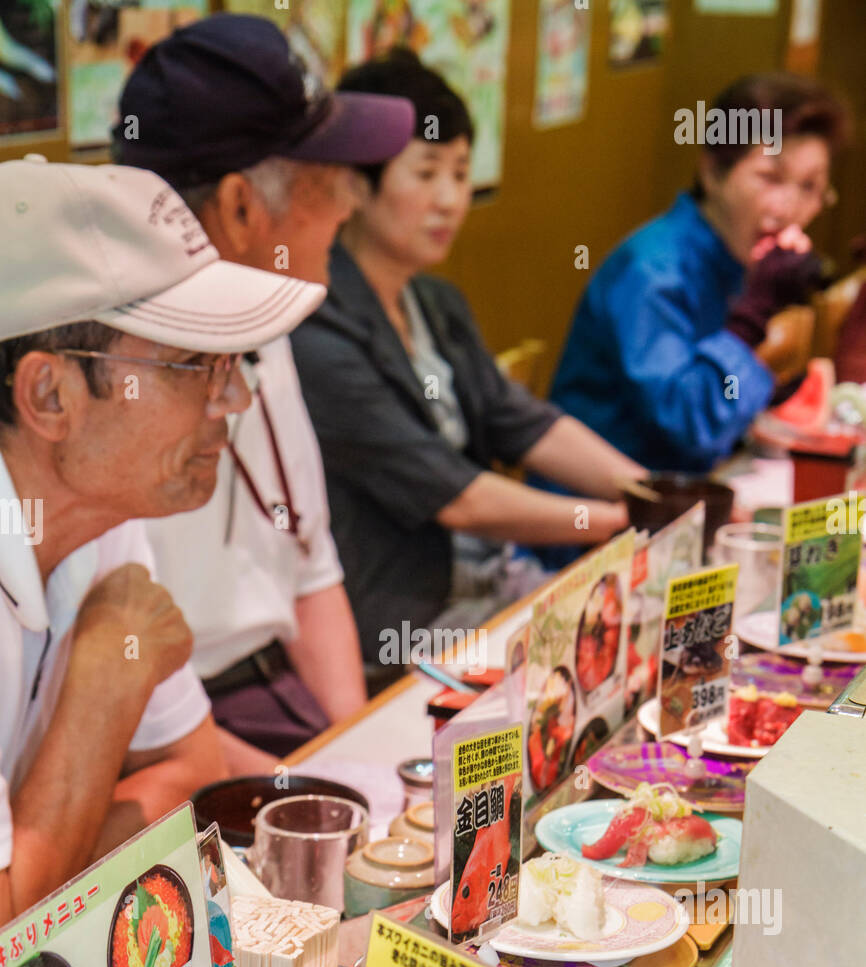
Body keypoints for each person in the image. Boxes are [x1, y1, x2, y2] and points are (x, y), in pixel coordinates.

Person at [0, 157, 323, 925]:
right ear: (50, 395)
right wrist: (102, 691)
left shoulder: (99, 520)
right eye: (192, 365)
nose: (237, 397)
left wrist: (38, 861)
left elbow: (192, 777)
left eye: (233, 364)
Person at [114, 14, 415, 764]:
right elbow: (129, 718)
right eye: (331, 181)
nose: (351, 204)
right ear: (245, 208)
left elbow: (314, 572)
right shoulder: (107, 391)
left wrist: (357, 751)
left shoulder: (265, 317)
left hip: (281, 705)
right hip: (168, 748)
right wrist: (314, 791)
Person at [291, 49, 646, 677]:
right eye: (426, 173)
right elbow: (455, 498)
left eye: (460, 172)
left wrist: (649, 491)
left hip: (491, 585)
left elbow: (522, 422)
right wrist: (626, 520)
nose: (450, 199)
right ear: (355, 184)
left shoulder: (434, 301)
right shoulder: (318, 322)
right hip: (405, 626)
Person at [549, 73, 850, 476]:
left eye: (810, 186)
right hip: (599, 520)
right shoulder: (652, 273)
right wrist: (752, 315)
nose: (788, 207)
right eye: (770, 178)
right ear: (712, 171)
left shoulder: (739, 261)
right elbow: (691, 424)